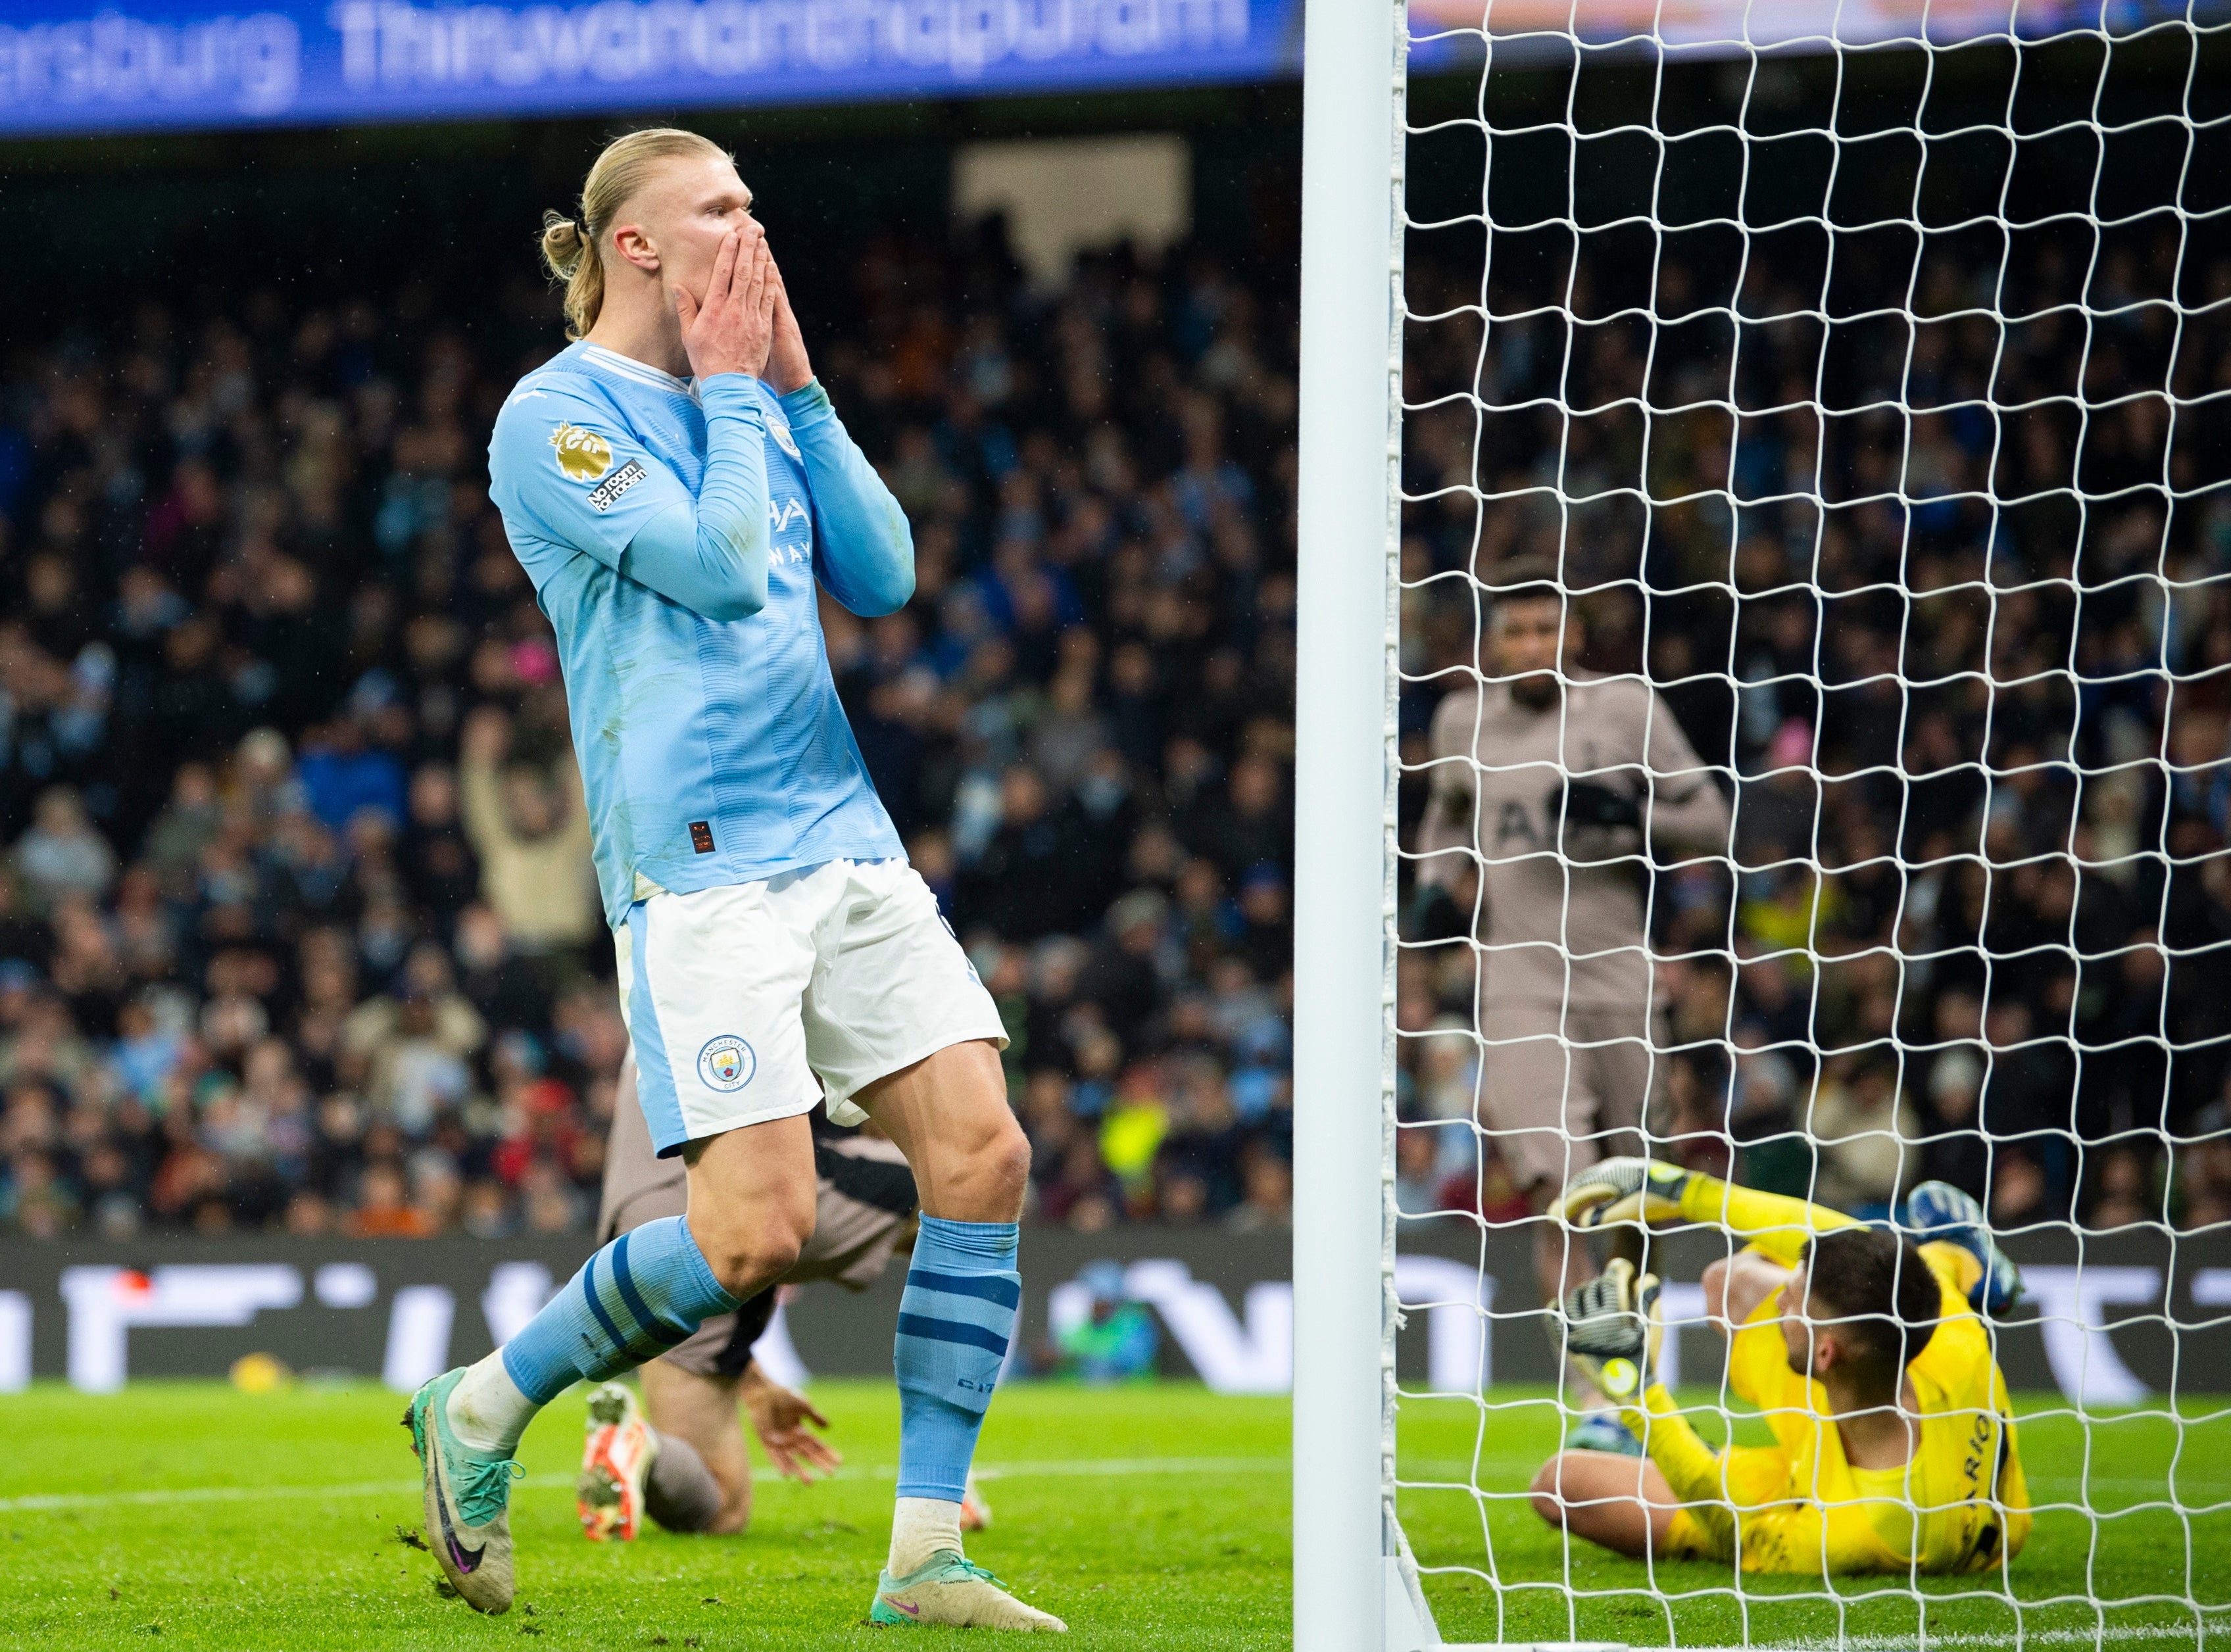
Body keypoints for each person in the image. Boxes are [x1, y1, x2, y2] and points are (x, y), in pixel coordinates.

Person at [404, 127, 1057, 1632]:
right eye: (718, 207)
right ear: (637, 244)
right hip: (700, 870)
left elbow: (883, 573)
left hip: (843, 837)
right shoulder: (551, 420)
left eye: (754, 199)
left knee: (984, 1155)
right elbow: (715, 568)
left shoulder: (755, 395)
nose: (749, 223)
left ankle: (923, 1556)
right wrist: (726, 387)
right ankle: (483, 1403)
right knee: (749, 1230)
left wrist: (799, 384)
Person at [1411, 557, 1731, 1449]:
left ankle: (1637, 1384)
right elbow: (1442, 819)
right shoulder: (1460, 719)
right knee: (1562, 1184)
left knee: (1633, 1192)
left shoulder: (1625, 708)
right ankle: (1599, 1400)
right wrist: (1440, 884)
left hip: (1619, 976)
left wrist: (1634, 822)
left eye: (1546, 629)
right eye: (1514, 632)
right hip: (1516, 978)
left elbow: (1713, 822)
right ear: (1491, 642)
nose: (1531, 647)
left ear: (1575, 634)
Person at [1529, 1158, 2030, 1575]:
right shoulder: (1951, 1338)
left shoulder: (1849, 1535)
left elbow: (1736, 1531)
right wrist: (1684, 1191)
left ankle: (1692, 1452)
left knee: (1560, 1486)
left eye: (1791, 1304)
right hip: (1859, 1425)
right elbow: (1843, 1239)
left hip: (1825, 1497)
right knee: (1734, 1281)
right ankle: (1970, 1259)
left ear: (1825, 1353)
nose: (1780, 1305)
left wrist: (1638, 1394)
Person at [576, 1055, 993, 1542]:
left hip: (645, 1229)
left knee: (721, 1505)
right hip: (748, 1188)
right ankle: (941, 1477)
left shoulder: (648, 1002)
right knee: (969, 1191)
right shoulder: (773, 983)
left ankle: (639, 1446)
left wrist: (752, 1385)